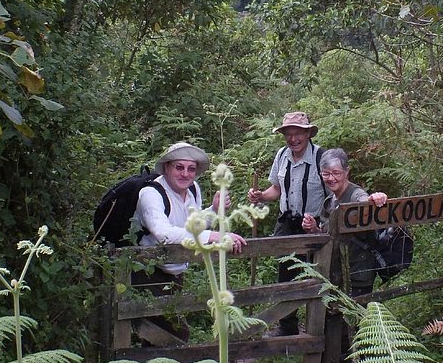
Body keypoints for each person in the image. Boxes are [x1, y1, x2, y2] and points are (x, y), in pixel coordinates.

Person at [131, 141, 246, 340]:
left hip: (175, 274)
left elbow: (194, 226)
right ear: (167, 167)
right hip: (147, 274)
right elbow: (163, 233)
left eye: (191, 169)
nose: (185, 174)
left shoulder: (193, 189)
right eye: (179, 167)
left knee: (157, 336)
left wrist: (214, 209)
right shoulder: (151, 194)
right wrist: (215, 236)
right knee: (175, 334)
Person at [247, 111, 326, 335]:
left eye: (298, 133)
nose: (293, 139)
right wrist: (261, 196)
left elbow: (334, 194)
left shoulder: (321, 158)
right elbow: (277, 189)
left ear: (308, 133)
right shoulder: (282, 155)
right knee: (286, 272)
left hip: (313, 225)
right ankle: (287, 326)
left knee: (316, 274)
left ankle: (316, 328)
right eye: (288, 134)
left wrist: (321, 226)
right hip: (286, 223)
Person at [300, 148, 388, 298]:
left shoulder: (355, 195)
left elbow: (364, 203)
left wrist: (375, 199)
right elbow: (329, 235)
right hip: (336, 274)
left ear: (347, 172)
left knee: (356, 319)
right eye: (326, 173)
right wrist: (314, 229)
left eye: (336, 173)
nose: (331, 178)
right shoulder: (329, 202)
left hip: (358, 275)